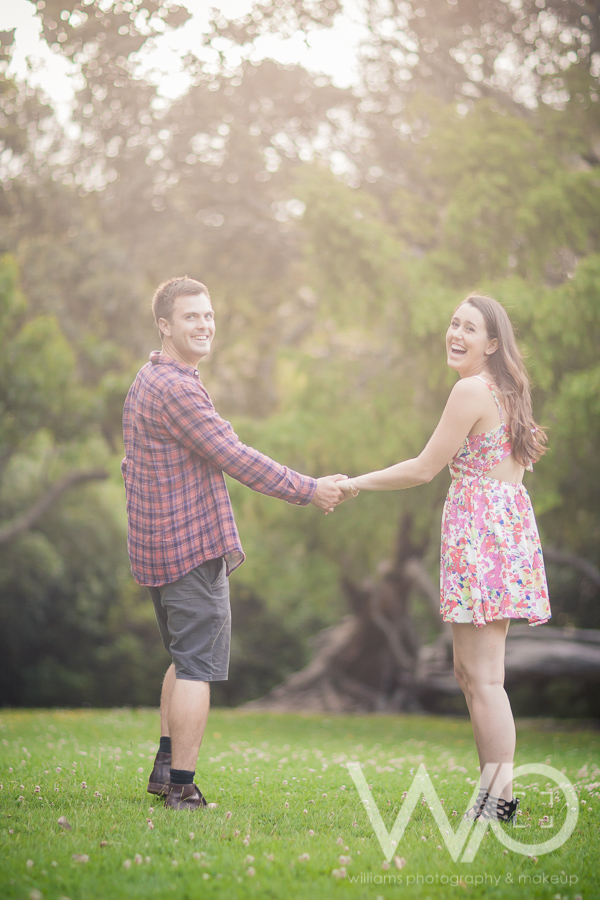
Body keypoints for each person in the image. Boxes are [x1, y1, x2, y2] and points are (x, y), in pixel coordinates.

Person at [122, 276, 350, 810]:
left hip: (162, 547)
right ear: (164, 325)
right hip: (189, 547)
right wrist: (310, 489)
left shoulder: (151, 377)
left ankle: (164, 770)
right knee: (196, 667)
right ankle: (183, 789)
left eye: (208, 315)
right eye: (191, 317)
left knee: (183, 658)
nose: (204, 325)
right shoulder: (177, 389)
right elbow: (236, 456)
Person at [339, 293, 550, 823]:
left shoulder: (471, 390)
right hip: (499, 536)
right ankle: (494, 797)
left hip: (483, 540)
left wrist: (354, 483)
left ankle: (499, 801)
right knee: (474, 674)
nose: (456, 334)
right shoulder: (504, 390)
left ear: (492, 344)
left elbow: (423, 468)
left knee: (483, 679)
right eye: (454, 324)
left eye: (470, 328)